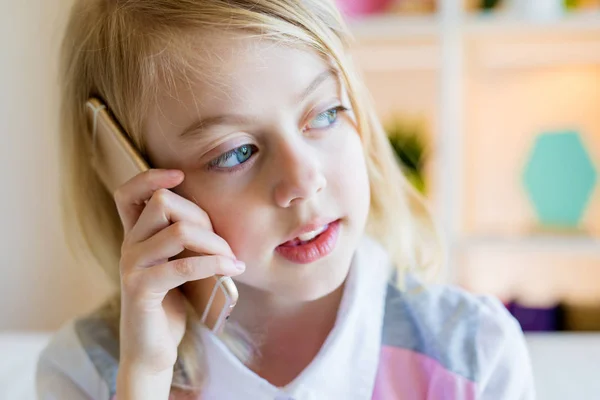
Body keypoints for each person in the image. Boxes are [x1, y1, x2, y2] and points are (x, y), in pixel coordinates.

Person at [36, 0, 536, 399]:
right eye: (236, 153)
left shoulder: (471, 354)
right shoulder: (87, 370)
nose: (303, 180)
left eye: (324, 114)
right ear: (136, 180)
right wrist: (143, 377)